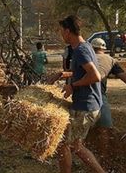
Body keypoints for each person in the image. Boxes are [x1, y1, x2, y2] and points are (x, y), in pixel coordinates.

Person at [48, 15, 105, 173]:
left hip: (86, 106)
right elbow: (81, 72)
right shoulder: (83, 47)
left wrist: (72, 86)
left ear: (67, 31)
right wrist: (62, 74)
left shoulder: (80, 50)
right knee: (75, 145)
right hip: (87, 104)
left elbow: (95, 76)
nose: (61, 34)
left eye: (61, 31)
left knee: (65, 144)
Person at [90, 38, 126, 128]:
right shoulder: (110, 60)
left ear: (91, 48)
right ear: (104, 48)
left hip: (80, 95)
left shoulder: (84, 59)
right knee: (106, 129)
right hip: (98, 96)